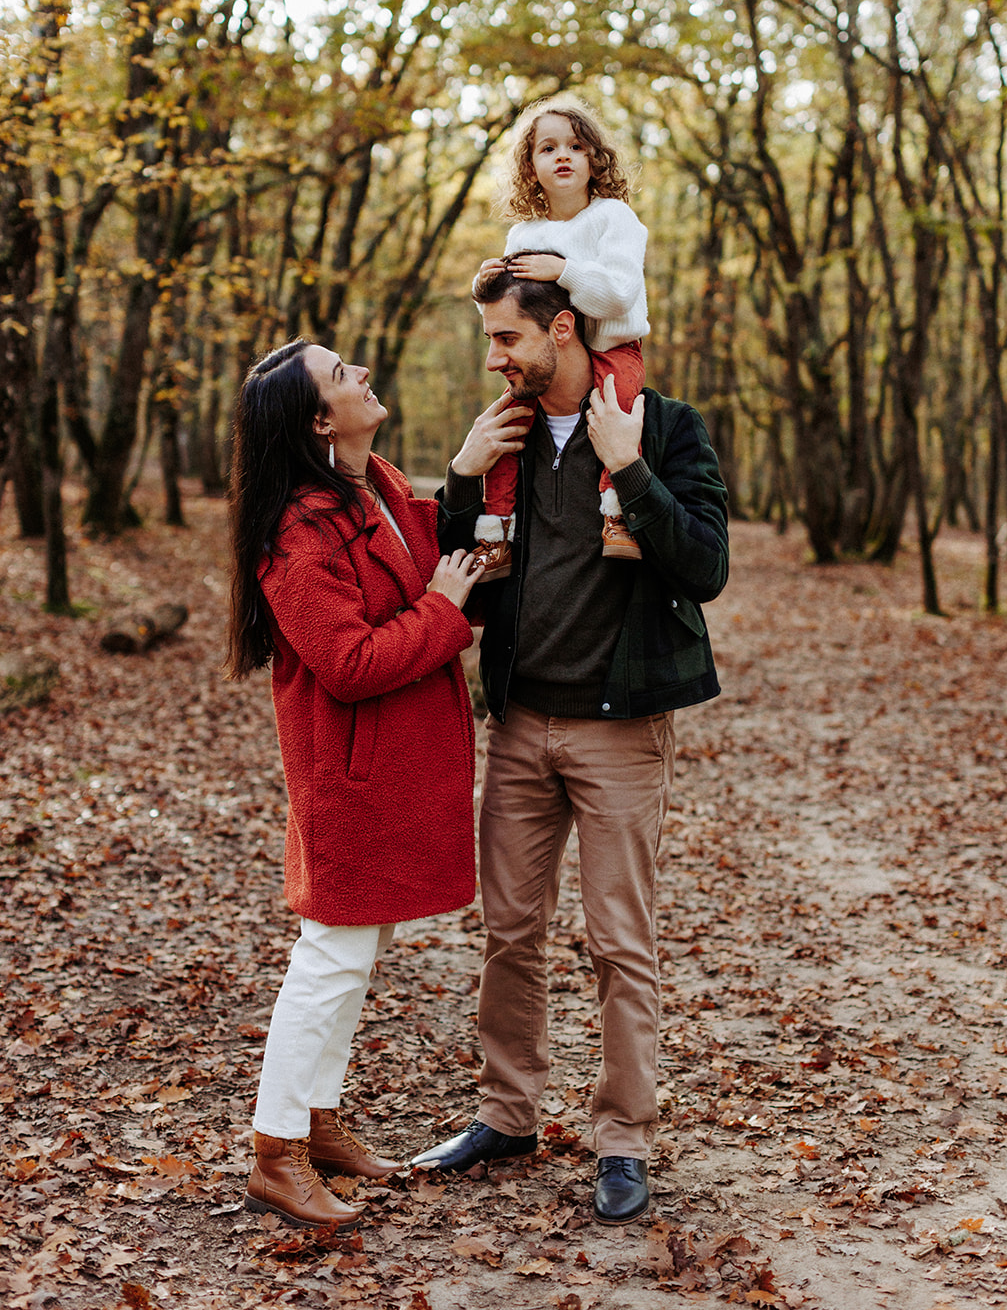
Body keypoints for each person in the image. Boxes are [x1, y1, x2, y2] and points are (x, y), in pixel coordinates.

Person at [411, 264, 729, 1225]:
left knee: (618, 942)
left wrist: (629, 467)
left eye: (506, 338)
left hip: (620, 728)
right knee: (510, 932)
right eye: (488, 340)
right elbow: (454, 557)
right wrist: (462, 474)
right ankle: (507, 1114)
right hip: (518, 724)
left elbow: (706, 565)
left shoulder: (662, 426)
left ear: (562, 331)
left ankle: (622, 1138)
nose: (494, 356)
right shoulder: (501, 439)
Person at [224, 338, 481, 1229]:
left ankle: (320, 1124)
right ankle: (275, 1151)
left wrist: (468, 471)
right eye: (342, 376)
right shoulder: (297, 528)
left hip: (388, 771)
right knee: (328, 960)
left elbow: (434, 549)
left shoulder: (373, 487)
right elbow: (348, 660)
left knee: (353, 956)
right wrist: (444, 612)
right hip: (349, 778)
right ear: (318, 420)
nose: (362, 372)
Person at [471, 95, 649, 582]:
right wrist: (485, 281)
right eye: (548, 148)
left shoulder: (614, 218)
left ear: (595, 158)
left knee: (617, 415)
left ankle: (616, 515)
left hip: (612, 346)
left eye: (575, 145)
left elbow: (618, 295)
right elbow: (508, 305)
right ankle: (496, 534)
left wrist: (565, 271)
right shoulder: (524, 234)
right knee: (506, 425)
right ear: (531, 167)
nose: (563, 156)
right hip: (547, 360)